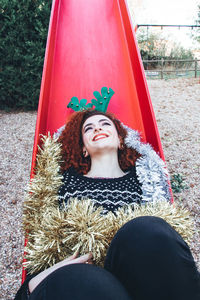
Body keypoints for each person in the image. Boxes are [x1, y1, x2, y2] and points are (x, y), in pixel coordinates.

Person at [15, 109, 200, 299]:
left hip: (140, 274)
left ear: (121, 141)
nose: (97, 128)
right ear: (84, 149)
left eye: (105, 124)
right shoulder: (64, 182)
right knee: (87, 279)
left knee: (148, 230)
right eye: (88, 128)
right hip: (80, 282)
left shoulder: (147, 183)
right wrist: (43, 277)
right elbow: (42, 243)